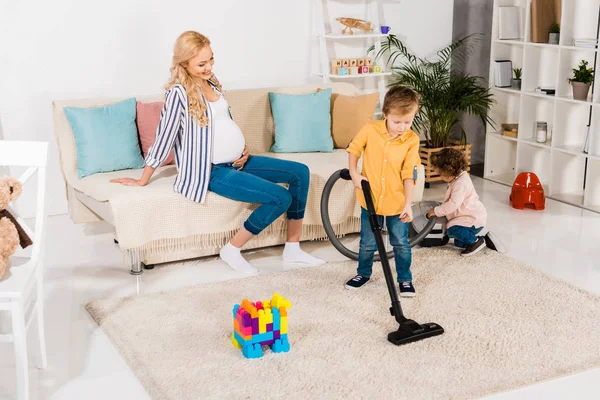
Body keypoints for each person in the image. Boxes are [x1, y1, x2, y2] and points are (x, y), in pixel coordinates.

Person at [111, 31, 324, 273]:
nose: (209, 66)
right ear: (184, 63)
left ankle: (293, 249)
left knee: (300, 172)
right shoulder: (178, 94)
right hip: (212, 171)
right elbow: (164, 138)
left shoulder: (212, 82)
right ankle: (232, 249)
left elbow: (222, 123)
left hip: (239, 161)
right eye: (202, 63)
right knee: (280, 198)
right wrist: (143, 178)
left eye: (211, 59)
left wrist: (242, 148)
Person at [344, 86, 421, 297]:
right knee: (367, 242)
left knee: (400, 243)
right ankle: (363, 273)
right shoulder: (370, 129)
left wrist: (408, 204)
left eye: (407, 122)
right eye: (397, 122)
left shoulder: (411, 140)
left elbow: (409, 174)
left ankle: (405, 279)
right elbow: (354, 149)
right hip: (369, 200)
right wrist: (354, 173)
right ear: (385, 114)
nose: (402, 127)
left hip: (396, 203)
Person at [426, 148, 506, 256]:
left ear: (448, 173)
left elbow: (453, 204)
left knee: (452, 230)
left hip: (472, 219)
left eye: (440, 174)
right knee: (459, 243)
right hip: (467, 217)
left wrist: (436, 211)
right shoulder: (458, 178)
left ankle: (476, 242)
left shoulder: (461, 184)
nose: (440, 177)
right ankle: (486, 239)